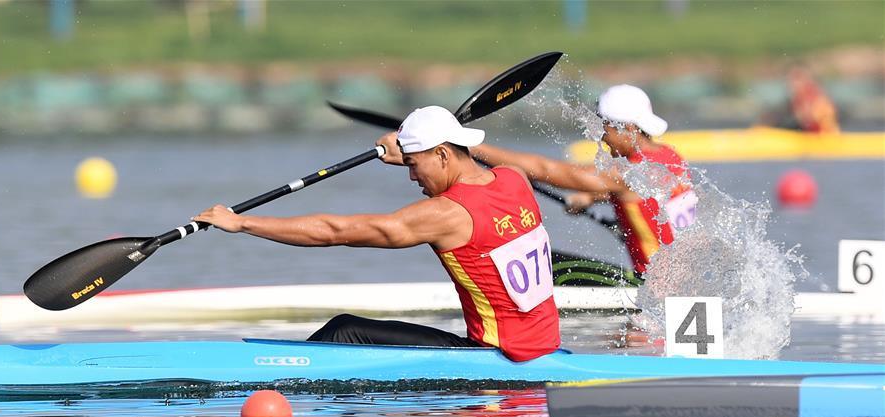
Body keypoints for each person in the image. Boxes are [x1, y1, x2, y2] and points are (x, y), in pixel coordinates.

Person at [195, 106, 561, 362]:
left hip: (497, 357)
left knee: (345, 331)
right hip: (544, 345)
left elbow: (333, 231)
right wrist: (410, 149)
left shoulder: (447, 214)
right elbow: (465, 170)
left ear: (443, 154)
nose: (412, 176)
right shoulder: (515, 179)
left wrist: (243, 223)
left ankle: (271, 382)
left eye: (415, 165)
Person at [471, 84, 694, 276]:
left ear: (627, 127)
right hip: (686, 279)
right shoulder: (668, 156)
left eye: (603, 128)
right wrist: (594, 197)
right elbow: (649, 196)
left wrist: (473, 147)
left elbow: (544, 169)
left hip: (657, 289)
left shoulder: (624, 173)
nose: (601, 136)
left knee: (550, 266)